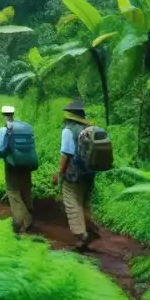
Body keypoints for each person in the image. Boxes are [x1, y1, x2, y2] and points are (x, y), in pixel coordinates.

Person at [51, 100, 102, 251]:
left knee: (72, 202)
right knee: (83, 201)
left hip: (74, 174)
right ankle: (90, 229)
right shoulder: (89, 129)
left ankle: (82, 235)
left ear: (70, 115)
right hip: (89, 172)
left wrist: (58, 174)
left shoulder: (69, 130)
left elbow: (66, 154)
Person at [0, 105, 38, 233]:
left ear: (3, 114)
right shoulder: (26, 127)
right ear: (13, 113)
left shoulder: (4, 129)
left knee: (13, 193)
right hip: (27, 165)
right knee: (25, 191)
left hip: (12, 166)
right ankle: (29, 222)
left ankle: (19, 223)